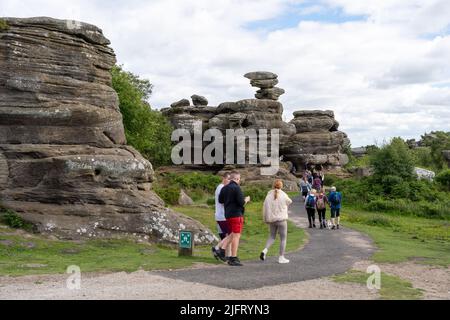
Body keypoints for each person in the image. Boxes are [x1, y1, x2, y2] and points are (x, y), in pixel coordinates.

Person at [216, 171, 250, 266]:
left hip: (228, 215)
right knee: (236, 236)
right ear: (237, 179)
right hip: (236, 214)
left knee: (232, 234)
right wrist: (246, 200)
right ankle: (233, 258)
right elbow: (241, 203)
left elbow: (220, 200)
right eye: (239, 179)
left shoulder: (224, 188)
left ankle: (221, 250)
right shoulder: (236, 188)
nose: (239, 181)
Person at [260, 180, 293, 264]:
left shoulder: (268, 195)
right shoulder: (283, 194)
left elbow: (265, 207)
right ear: (281, 186)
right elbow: (289, 202)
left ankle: (265, 250)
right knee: (283, 239)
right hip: (281, 219)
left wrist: (265, 219)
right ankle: (281, 257)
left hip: (272, 219)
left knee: (271, 236)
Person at [211, 172, 231, 261]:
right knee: (230, 235)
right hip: (222, 216)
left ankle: (226, 256)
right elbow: (222, 202)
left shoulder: (221, 187)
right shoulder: (221, 188)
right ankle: (217, 249)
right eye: (228, 179)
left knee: (226, 236)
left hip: (220, 215)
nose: (230, 181)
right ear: (224, 178)